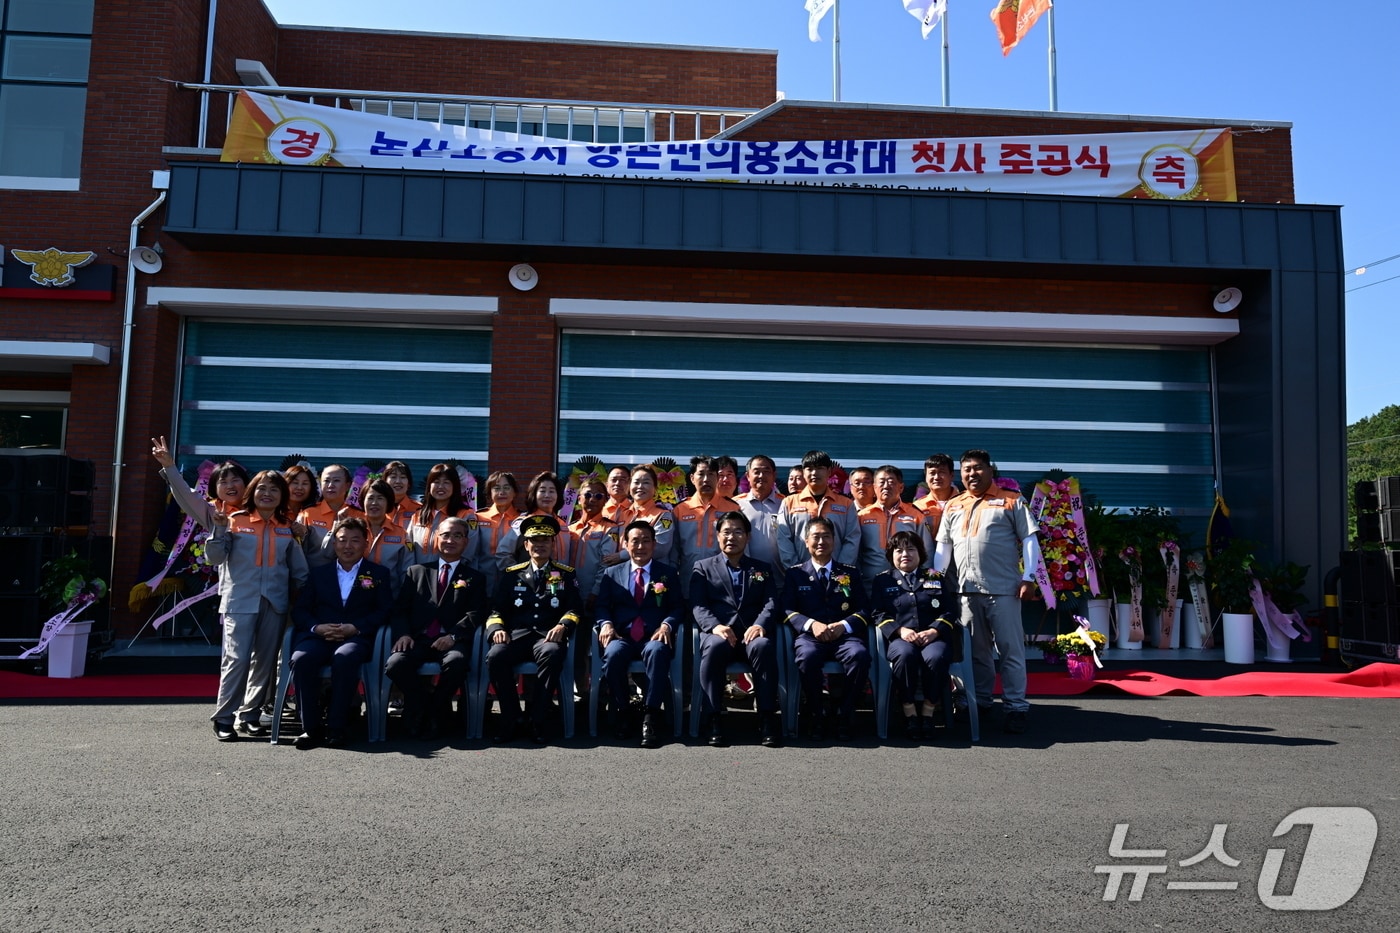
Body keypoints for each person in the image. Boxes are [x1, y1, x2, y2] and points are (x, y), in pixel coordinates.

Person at [933, 449, 1041, 735]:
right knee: (976, 653)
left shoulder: (1011, 500)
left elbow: (1030, 539)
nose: (972, 473)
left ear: (991, 470)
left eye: (978, 468)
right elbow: (943, 546)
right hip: (966, 592)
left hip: (1003, 590)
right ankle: (980, 702)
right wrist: (936, 577)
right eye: (966, 469)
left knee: (1010, 651)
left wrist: (1029, 577)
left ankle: (1016, 707)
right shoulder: (953, 505)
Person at [202, 470, 309, 741]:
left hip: (275, 603)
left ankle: (249, 715)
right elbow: (214, 558)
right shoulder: (234, 521)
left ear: (281, 495)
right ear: (252, 491)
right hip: (240, 600)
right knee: (236, 660)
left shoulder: (286, 526)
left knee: (264, 662)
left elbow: (299, 571)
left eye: (274, 489)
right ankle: (223, 717)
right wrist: (217, 528)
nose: (267, 494)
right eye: (262, 488)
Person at [288, 517, 393, 748]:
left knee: (344, 659)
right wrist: (318, 627)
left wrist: (356, 627)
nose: (348, 546)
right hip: (320, 636)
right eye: (342, 540)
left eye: (355, 541)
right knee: (301, 659)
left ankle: (337, 727)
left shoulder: (378, 573)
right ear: (334, 544)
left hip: (355, 636)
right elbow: (301, 610)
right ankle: (311, 729)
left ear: (366, 543)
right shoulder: (318, 574)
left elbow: (384, 610)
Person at [383, 517, 488, 738]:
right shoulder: (417, 571)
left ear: (466, 542)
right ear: (436, 539)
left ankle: (434, 708)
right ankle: (423, 704)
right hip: (418, 639)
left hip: (452, 641)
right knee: (395, 664)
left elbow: (476, 613)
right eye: (446, 535)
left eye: (457, 535)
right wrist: (402, 634)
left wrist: (453, 635)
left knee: (457, 663)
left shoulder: (475, 578)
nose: (450, 540)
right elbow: (400, 609)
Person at [485, 515, 583, 743]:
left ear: (552, 544)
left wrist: (563, 625)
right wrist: (497, 629)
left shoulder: (566, 574)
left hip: (547, 637)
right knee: (495, 656)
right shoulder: (512, 575)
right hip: (517, 636)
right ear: (526, 545)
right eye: (534, 540)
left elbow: (575, 609)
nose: (540, 544)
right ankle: (511, 718)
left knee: (552, 653)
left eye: (545, 540)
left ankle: (536, 720)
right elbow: (496, 610)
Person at [690, 511, 782, 748]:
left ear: (748, 537)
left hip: (751, 634)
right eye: (727, 532)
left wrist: (760, 624)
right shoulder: (702, 567)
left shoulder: (761, 568)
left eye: (738, 531)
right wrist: (715, 626)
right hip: (720, 634)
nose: (732, 537)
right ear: (718, 536)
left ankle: (767, 717)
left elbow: (771, 602)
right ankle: (713, 717)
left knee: (763, 645)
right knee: (715, 646)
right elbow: (698, 605)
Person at [593, 521, 683, 748]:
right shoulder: (612, 573)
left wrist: (666, 625)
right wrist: (605, 624)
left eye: (646, 541)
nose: (640, 546)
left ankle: (650, 715)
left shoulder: (668, 574)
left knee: (658, 651)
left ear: (654, 544)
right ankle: (623, 711)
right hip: (622, 635)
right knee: (613, 654)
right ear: (625, 543)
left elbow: (677, 607)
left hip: (653, 635)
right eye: (635, 540)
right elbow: (602, 606)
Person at [782, 517, 870, 741]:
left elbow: (865, 609)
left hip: (844, 637)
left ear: (835, 541)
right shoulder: (795, 574)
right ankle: (816, 712)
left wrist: (844, 625)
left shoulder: (850, 572)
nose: (821, 541)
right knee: (807, 656)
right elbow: (786, 609)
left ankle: (844, 711)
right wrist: (811, 625)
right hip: (811, 637)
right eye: (816, 536)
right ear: (806, 541)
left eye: (826, 536)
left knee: (859, 655)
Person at [872, 530, 960, 741]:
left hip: (933, 637)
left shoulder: (935, 577)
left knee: (936, 657)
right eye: (899, 550)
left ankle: (929, 710)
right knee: (904, 656)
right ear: (891, 555)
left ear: (920, 553)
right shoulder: (882, 581)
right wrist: (899, 630)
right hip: (900, 639)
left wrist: (935, 630)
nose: (905, 554)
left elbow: (949, 611)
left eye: (911, 549)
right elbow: (877, 613)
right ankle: (909, 710)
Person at [856, 465, 935, 592]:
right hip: (870, 586)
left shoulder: (916, 515)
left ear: (901, 487)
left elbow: (927, 552)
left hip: (908, 587)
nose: (886, 486)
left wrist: (926, 584)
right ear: (874, 487)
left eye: (891, 482)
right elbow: (856, 552)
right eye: (881, 482)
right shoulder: (862, 516)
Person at [777, 450, 860, 569]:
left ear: (829, 471)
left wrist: (840, 569)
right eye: (809, 469)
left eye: (820, 468)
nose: (814, 473)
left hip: (838, 576)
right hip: (800, 576)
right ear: (803, 472)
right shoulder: (789, 502)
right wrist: (796, 570)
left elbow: (852, 539)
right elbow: (784, 539)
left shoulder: (846, 504)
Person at [149, 436, 247, 531]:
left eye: (235, 480)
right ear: (214, 489)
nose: (230, 486)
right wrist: (169, 466)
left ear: (246, 483)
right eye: (223, 482)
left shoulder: (258, 506)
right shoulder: (212, 512)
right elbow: (186, 494)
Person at [494, 471, 583, 572]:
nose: (547, 495)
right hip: (531, 584)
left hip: (559, 583)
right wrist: (519, 577)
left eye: (552, 491)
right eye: (542, 491)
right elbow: (503, 553)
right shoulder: (525, 522)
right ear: (534, 494)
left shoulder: (562, 524)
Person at [407, 463, 485, 574]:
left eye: (446, 482)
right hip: (420, 576)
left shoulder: (466, 515)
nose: (440, 486)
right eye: (436, 482)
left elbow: (469, 551)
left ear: (455, 487)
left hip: (451, 576)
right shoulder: (419, 515)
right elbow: (409, 548)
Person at [672, 455, 739, 580]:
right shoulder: (680, 509)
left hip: (722, 580)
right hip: (688, 578)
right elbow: (673, 551)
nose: (706, 479)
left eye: (711, 474)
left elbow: (740, 548)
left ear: (717, 478)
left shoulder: (732, 508)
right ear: (692, 478)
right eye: (701, 474)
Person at [569, 478, 626, 604]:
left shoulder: (610, 528)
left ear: (605, 501)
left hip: (591, 595)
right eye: (588, 495)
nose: (592, 500)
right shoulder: (570, 529)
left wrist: (595, 592)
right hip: (567, 592)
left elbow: (606, 563)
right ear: (579, 499)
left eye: (599, 496)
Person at [298, 464, 362, 568]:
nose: (330, 485)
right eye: (326, 481)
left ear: (348, 485)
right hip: (315, 578)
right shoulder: (308, 514)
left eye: (336, 480)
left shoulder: (359, 516)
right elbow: (299, 555)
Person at [359, 479, 414, 597]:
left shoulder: (401, 534)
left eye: (380, 498)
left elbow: (406, 572)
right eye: (370, 498)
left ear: (388, 502)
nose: (374, 503)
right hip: (355, 598)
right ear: (363, 501)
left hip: (389, 598)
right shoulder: (353, 530)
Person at [616, 464, 676, 566]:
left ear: (655, 488)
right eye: (636, 482)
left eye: (646, 482)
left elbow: (660, 548)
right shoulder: (622, 514)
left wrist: (621, 556)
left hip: (652, 574)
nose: (640, 486)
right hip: (623, 573)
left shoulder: (663, 515)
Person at [737, 454, 784, 576]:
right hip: (746, 576)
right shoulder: (736, 504)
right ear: (748, 476)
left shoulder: (785, 503)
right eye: (756, 472)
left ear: (774, 475)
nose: (761, 476)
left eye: (766, 471)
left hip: (780, 577)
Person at [476, 470, 520, 559]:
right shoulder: (477, 517)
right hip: (481, 571)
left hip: (513, 571)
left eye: (507, 488)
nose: (501, 492)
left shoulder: (522, 519)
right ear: (490, 493)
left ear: (514, 492)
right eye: (496, 488)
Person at [914, 453, 959, 538]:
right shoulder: (918, 507)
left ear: (952, 475)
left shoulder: (964, 503)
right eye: (932, 473)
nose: (936, 477)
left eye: (942, 472)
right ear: (926, 477)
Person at [382, 461, 421, 528]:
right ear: (385, 482)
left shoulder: (419, 509)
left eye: (402, 477)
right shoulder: (378, 508)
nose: (398, 481)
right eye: (393, 477)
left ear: (409, 483)